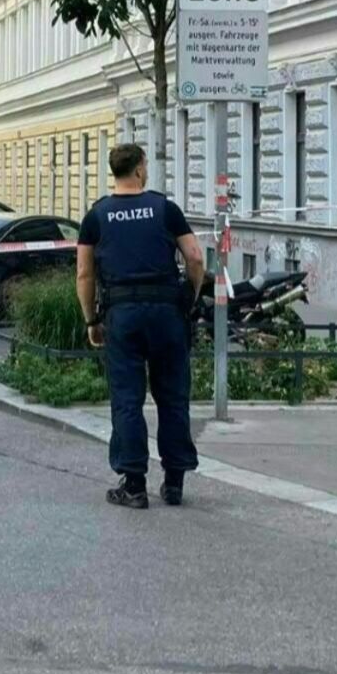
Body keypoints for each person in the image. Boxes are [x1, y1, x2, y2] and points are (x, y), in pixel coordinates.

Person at [76, 142, 208, 509]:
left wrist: (91, 319)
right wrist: (190, 297)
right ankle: (175, 482)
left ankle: (133, 484)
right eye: (145, 164)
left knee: (127, 398)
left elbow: (84, 273)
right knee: (172, 396)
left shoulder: (97, 216)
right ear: (138, 170)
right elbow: (195, 258)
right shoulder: (165, 209)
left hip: (122, 314)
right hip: (166, 312)